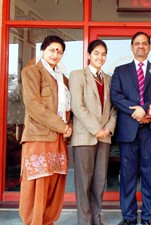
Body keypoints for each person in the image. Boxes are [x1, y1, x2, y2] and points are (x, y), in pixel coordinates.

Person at [110, 32, 151, 225]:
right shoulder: (120, 71)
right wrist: (135, 112)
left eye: (144, 43)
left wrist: (144, 110)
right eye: (137, 43)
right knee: (127, 176)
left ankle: (148, 216)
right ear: (131, 47)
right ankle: (128, 217)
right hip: (129, 130)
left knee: (149, 175)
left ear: (150, 47)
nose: (141, 46)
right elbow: (116, 96)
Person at [19, 35, 72, 225]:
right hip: (39, 137)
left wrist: (69, 126)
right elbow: (34, 106)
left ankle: (48, 221)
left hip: (59, 139)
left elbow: (68, 108)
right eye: (52, 49)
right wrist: (62, 126)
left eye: (59, 51)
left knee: (54, 184)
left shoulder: (63, 79)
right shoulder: (32, 72)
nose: (55, 54)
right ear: (43, 50)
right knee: (37, 184)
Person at [69, 39, 117, 225]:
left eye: (103, 54)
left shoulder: (109, 79)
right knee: (83, 183)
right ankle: (85, 220)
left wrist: (108, 128)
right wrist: (96, 129)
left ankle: (97, 217)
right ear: (88, 55)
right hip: (84, 137)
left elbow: (114, 109)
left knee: (99, 181)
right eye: (96, 53)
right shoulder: (77, 75)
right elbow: (77, 107)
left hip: (104, 137)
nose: (100, 57)